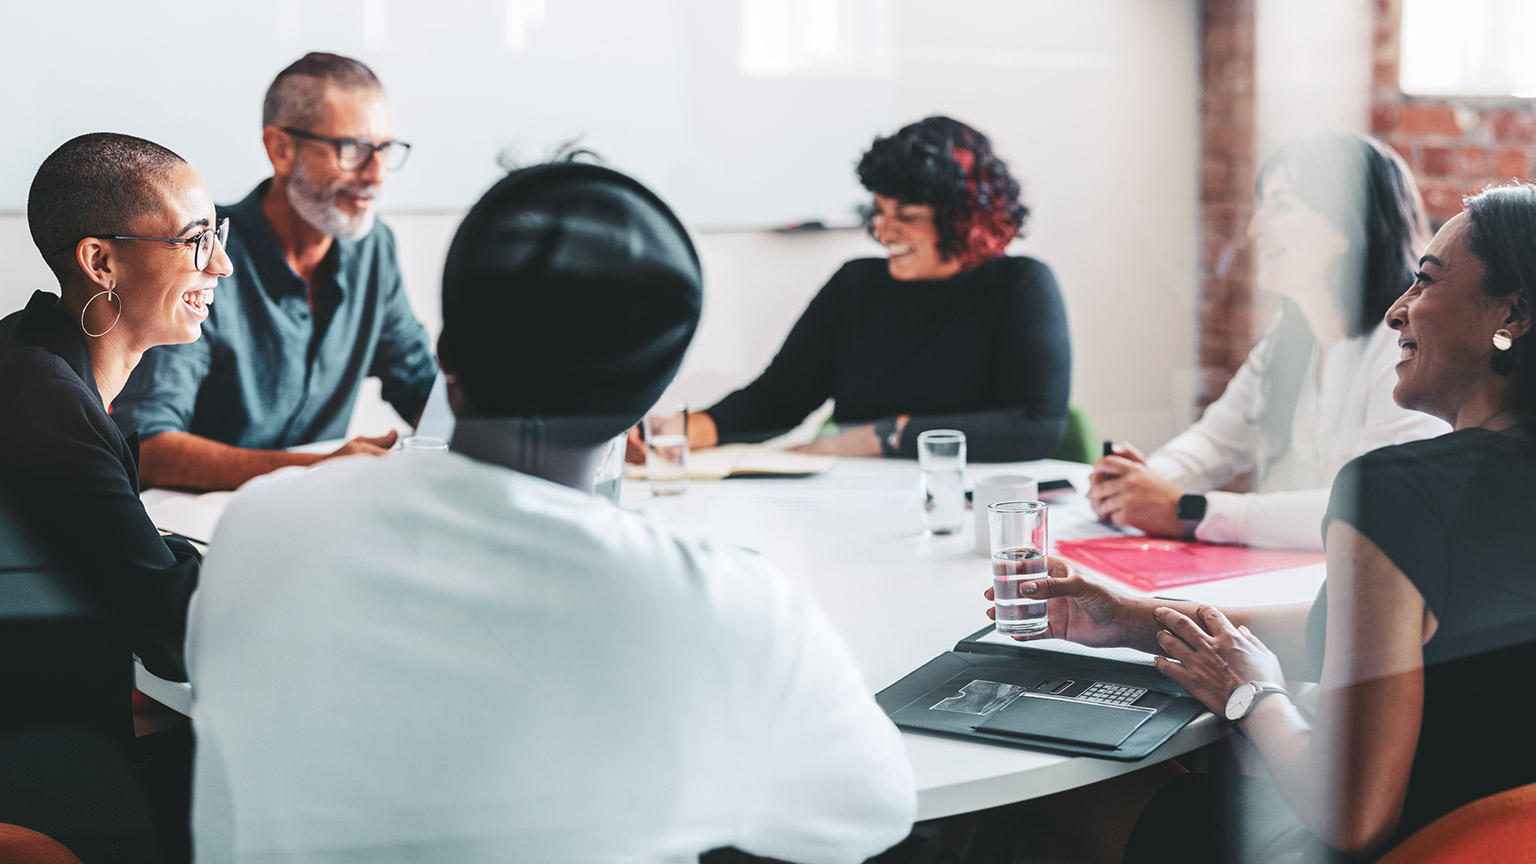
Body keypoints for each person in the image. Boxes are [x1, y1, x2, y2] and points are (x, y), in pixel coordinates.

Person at [186, 161, 917, 864]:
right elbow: (872, 815)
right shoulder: (728, 610)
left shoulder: (260, 527)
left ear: (444, 354)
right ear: (650, 396)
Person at [989, 184, 1536, 862]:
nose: (1399, 311)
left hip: (1397, 845)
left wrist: (1250, 694)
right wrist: (1131, 618)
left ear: (1512, 312)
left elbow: (1351, 816)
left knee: (1049, 792)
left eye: (1424, 282)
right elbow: (1357, 640)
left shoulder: (1401, 491)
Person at [0, 132, 234, 863]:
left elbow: (116, 559)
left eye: (217, 234)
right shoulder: (41, 396)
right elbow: (169, 632)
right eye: (197, 241)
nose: (221, 264)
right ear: (101, 262)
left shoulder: (40, 368)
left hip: (55, 726)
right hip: (35, 766)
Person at [1089, 134, 1448, 550]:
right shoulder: (1286, 340)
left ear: (1346, 226)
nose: (1254, 228)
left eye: (1282, 206)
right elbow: (1216, 441)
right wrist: (1139, 482)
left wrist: (1187, 509)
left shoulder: (1404, 350)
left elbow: (1373, 508)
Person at [656, 115, 1070, 463]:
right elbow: (776, 400)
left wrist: (881, 437)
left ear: (965, 218)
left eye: (905, 215)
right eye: (878, 211)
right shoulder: (855, 286)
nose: (883, 230)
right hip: (858, 504)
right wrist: (676, 434)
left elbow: (1036, 427)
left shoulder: (1020, 286)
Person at [111, 52, 436, 492]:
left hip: (318, 513)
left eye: (384, 150)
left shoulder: (374, 247)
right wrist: (316, 468)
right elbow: (146, 443)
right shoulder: (200, 253)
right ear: (281, 149)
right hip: (199, 529)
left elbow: (419, 384)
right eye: (354, 149)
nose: (376, 174)